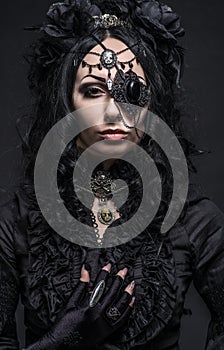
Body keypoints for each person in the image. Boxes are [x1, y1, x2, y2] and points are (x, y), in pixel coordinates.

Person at [0, 0, 224, 349]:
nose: (114, 110)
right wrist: (60, 343)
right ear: (66, 101)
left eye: (132, 91)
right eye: (93, 90)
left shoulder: (194, 218)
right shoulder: (18, 219)